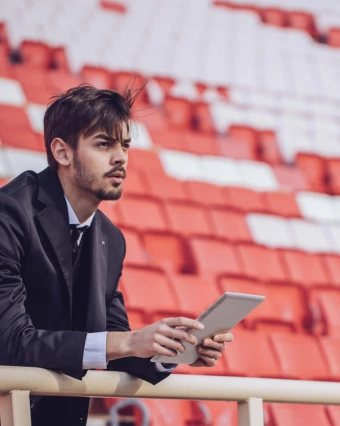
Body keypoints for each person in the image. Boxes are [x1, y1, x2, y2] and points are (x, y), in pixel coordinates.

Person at [0, 84, 234, 426]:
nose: (121, 157)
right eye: (103, 144)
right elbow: (11, 342)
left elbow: (113, 344)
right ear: (62, 153)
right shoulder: (9, 214)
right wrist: (126, 342)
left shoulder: (110, 238)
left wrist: (174, 351)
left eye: (124, 145)